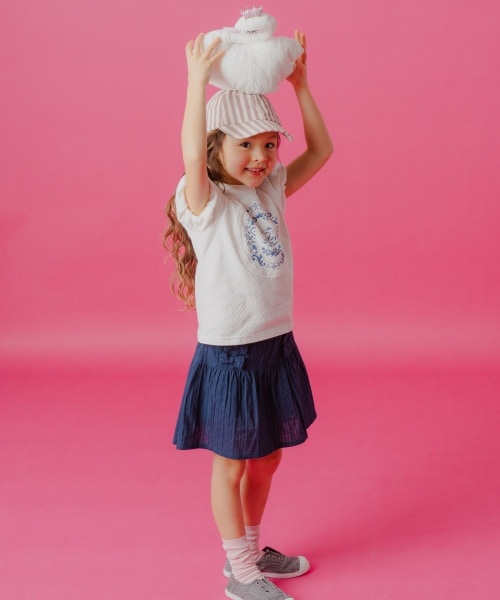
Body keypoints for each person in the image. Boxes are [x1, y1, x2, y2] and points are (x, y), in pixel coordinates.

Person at [164, 30, 333, 600]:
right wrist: (195, 84)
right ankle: (239, 572)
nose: (261, 157)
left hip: (275, 344)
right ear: (217, 149)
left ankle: (253, 551)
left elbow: (322, 152)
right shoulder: (205, 202)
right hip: (230, 354)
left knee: (267, 459)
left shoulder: (271, 189)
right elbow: (191, 155)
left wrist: (301, 87)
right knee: (232, 465)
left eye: (268, 144)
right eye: (246, 145)